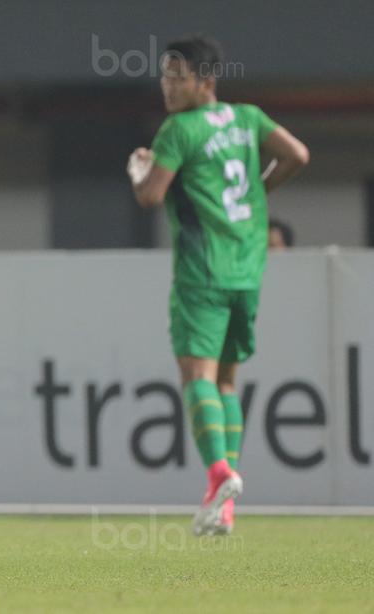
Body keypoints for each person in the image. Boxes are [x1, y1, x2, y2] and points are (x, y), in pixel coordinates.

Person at [127, 35, 309, 536]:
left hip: (202, 272)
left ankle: (218, 473)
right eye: (164, 76)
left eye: (177, 77)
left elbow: (151, 196)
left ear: (206, 81)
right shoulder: (249, 118)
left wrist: (139, 172)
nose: (167, 87)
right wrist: (258, 190)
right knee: (228, 382)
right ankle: (222, 508)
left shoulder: (179, 129)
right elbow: (298, 154)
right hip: (248, 271)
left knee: (197, 378)